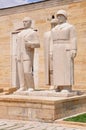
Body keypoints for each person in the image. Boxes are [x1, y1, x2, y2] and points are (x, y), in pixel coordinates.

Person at [51, 10, 77, 92]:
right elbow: (51, 40)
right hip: (56, 48)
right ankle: (59, 85)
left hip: (66, 48)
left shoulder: (70, 27)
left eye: (61, 16)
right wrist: (51, 51)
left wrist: (74, 49)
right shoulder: (54, 28)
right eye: (58, 16)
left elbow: (73, 38)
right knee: (57, 68)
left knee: (66, 68)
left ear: (65, 17)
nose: (59, 17)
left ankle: (67, 86)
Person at [16, 17, 40, 92]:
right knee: (21, 72)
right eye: (23, 22)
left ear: (30, 22)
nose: (24, 23)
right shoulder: (20, 34)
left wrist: (30, 44)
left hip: (27, 54)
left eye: (26, 21)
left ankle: (31, 86)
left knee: (27, 71)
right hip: (20, 54)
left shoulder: (32, 32)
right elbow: (18, 45)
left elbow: (38, 44)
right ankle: (22, 86)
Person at [44, 17, 58, 89]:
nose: (53, 26)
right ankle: (53, 84)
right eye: (52, 24)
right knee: (51, 70)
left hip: (58, 53)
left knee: (58, 69)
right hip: (50, 54)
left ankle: (59, 84)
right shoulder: (47, 34)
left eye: (55, 24)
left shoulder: (59, 32)